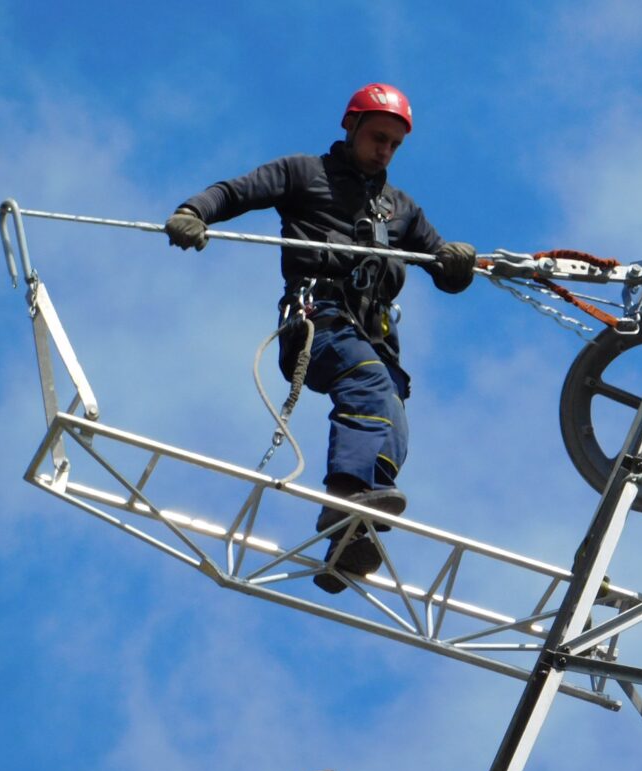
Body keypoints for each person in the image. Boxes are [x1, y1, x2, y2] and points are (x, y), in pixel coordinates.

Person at [164, 83, 477, 592]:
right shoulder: (303, 174)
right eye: (378, 138)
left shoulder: (400, 208)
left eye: (395, 145)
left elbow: (442, 266)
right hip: (320, 323)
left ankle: (349, 538)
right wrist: (193, 212)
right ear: (351, 127)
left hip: (371, 337)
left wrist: (458, 263)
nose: (385, 151)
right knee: (371, 388)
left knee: (392, 417)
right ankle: (343, 503)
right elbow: (234, 192)